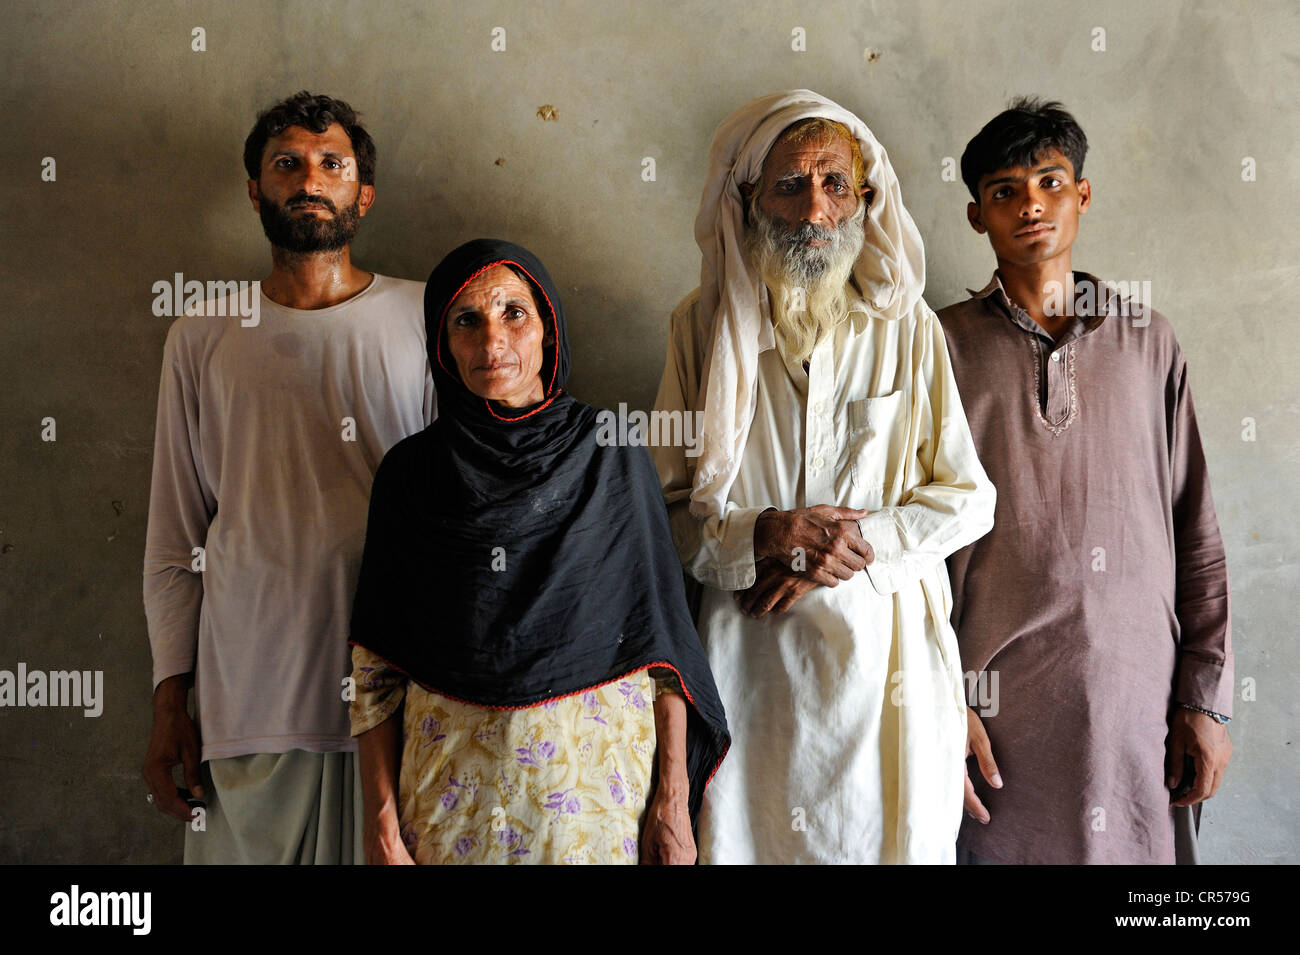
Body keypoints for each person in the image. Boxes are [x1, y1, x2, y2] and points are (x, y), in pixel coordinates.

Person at [651, 90, 995, 864]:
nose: (814, 209)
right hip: (749, 668)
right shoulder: (699, 328)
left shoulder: (906, 326)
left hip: (890, 676)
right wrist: (766, 535)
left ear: (863, 199)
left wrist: (850, 541)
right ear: (748, 199)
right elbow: (664, 514)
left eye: (835, 183)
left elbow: (969, 497)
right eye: (790, 184)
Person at [347, 238, 730, 865]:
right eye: (466, 321)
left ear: (549, 330)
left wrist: (671, 800)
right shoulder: (410, 476)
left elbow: (661, 642)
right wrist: (382, 827)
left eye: (513, 314)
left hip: (593, 806)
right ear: (442, 344)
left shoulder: (610, 454)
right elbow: (375, 671)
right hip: (449, 808)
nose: (492, 342)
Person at [937, 98, 1233, 864]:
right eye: (1004, 191)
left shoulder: (1149, 342)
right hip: (991, 714)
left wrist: (1205, 699)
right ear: (977, 216)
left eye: (1049, 181)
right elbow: (909, 552)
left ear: (1083, 194)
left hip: (1140, 707)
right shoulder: (936, 349)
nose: (1029, 204)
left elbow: (1196, 531)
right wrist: (936, 702)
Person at [141, 91, 434, 863]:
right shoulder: (202, 335)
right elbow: (176, 540)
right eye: (286, 164)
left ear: (361, 194)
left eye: (331, 164)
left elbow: (463, 516)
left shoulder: (430, 318)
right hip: (247, 697)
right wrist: (171, 694)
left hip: (397, 696)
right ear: (255, 191)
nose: (309, 178)